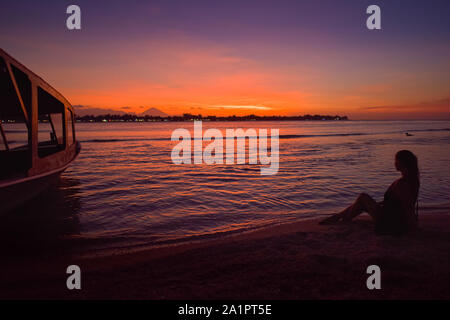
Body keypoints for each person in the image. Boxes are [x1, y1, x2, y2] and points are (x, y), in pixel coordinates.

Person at [319, 150, 420, 235]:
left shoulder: (402, 183)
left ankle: (337, 217)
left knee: (363, 197)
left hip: (390, 222)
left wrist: (413, 229)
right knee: (362, 202)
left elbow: (408, 207)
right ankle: (340, 218)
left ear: (402, 162)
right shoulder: (413, 180)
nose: (394, 163)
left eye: (396, 160)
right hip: (393, 217)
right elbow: (399, 203)